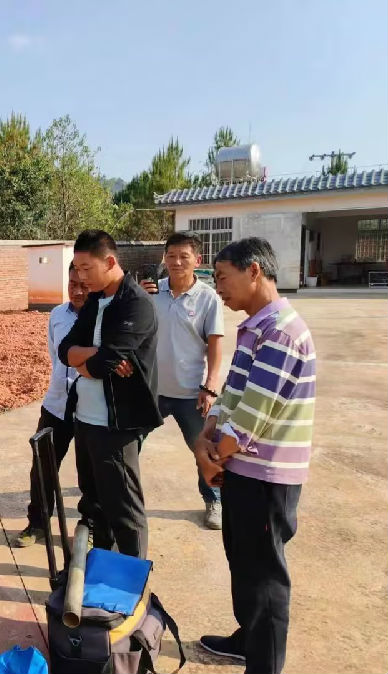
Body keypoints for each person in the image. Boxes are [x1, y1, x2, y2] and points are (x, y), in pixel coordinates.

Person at [195, 237, 316, 674]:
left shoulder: (280, 331)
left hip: (267, 476)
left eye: (222, 278)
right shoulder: (254, 327)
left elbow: (253, 415)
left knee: (264, 575)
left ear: (254, 273)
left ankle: (263, 664)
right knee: (242, 560)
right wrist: (206, 438)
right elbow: (232, 396)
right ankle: (247, 639)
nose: (218, 288)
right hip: (243, 469)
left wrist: (213, 456)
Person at [59, 230, 162, 559]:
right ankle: (102, 570)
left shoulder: (137, 305)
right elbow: (65, 351)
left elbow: (102, 365)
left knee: (125, 511)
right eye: (76, 269)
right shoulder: (93, 300)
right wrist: (95, 354)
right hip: (85, 419)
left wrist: (91, 360)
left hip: (116, 424)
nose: (80, 277)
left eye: (86, 269)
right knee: (95, 504)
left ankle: (130, 587)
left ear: (110, 262)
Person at [140, 233, 225, 529]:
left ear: (197, 261)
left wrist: (211, 386)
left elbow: (215, 346)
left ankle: (214, 499)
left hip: (192, 393)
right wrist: (136, 296)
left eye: (183, 256)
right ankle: (115, 488)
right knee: (128, 441)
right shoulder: (151, 292)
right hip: (151, 391)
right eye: (171, 255)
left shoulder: (208, 298)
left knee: (204, 449)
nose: (176, 262)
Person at [14, 263, 88, 548]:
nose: (77, 291)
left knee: (89, 472)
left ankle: (89, 528)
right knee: (42, 467)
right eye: (72, 284)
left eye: (84, 285)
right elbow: (55, 356)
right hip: (56, 405)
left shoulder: (103, 317)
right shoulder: (57, 315)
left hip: (89, 410)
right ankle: (37, 524)